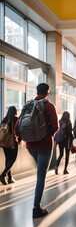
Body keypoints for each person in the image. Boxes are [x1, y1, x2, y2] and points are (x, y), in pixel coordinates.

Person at [15, 83, 58, 218]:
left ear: (37, 91)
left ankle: (36, 206)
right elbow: (55, 127)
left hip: (30, 145)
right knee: (41, 176)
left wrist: (22, 137)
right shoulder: (49, 106)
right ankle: (36, 208)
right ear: (47, 92)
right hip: (44, 144)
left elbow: (17, 126)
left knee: (40, 171)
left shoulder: (28, 105)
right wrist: (47, 133)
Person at [0, 106, 19, 185]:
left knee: (8, 159)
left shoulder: (4, 119)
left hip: (5, 143)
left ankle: (10, 177)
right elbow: (18, 130)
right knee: (13, 159)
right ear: (15, 112)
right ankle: (3, 175)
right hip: (13, 143)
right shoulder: (16, 119)